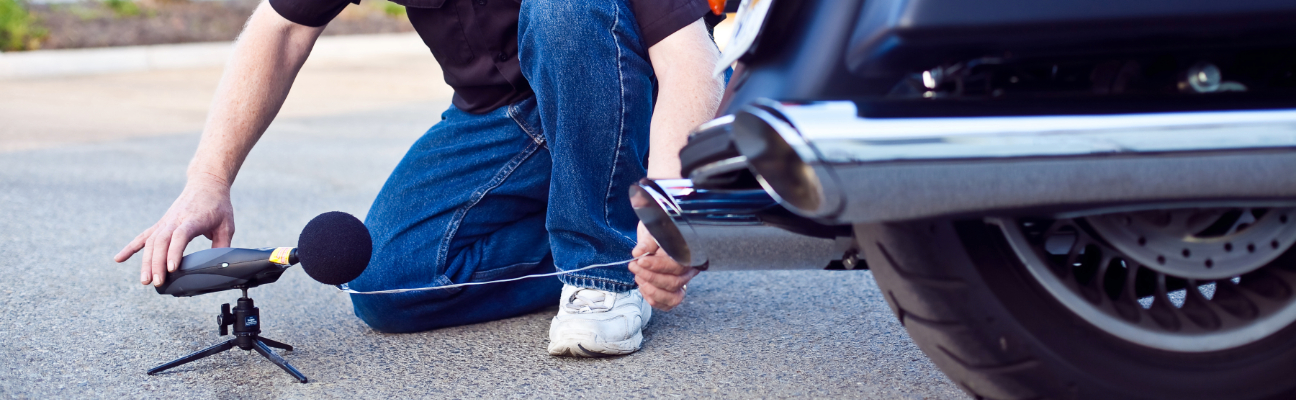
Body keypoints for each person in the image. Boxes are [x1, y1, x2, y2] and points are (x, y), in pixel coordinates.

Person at [113, 0, 723, 357]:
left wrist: (672, 205)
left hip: (621, 100)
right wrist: (207, 179)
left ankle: (603, 268)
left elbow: (689, 61)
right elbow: (282, 31)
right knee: (386, 283)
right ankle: (613, 232)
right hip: (499, 115)